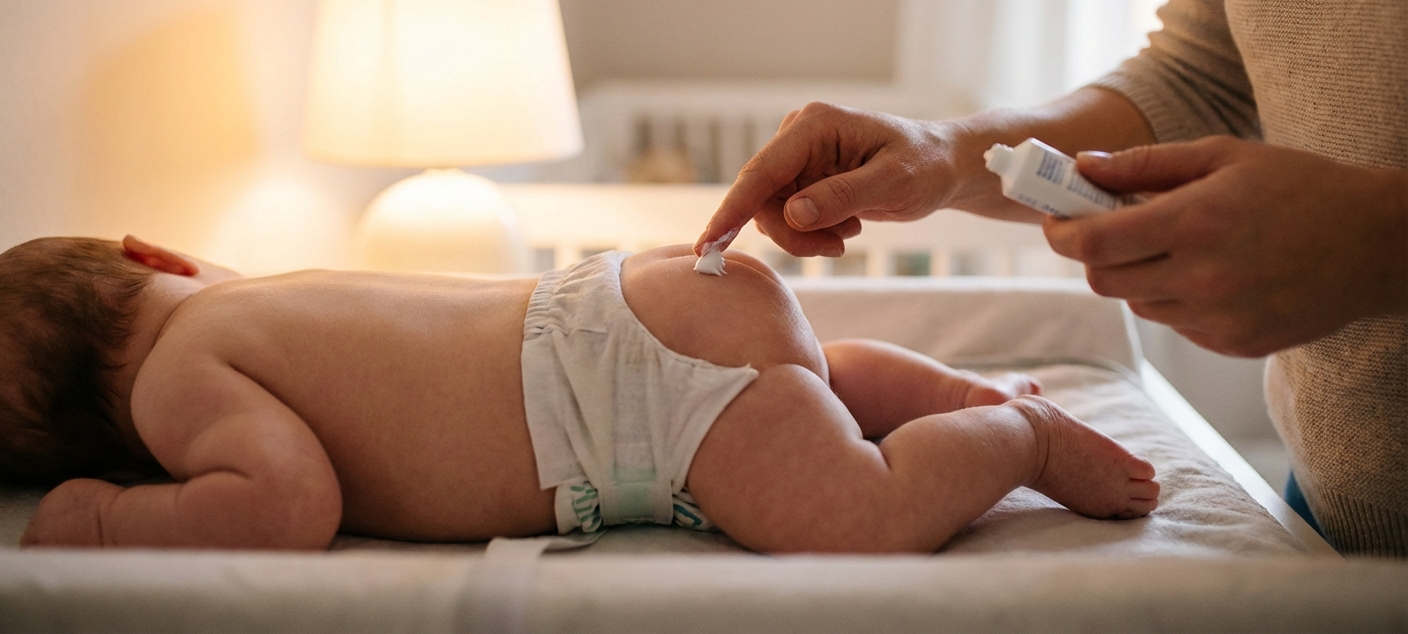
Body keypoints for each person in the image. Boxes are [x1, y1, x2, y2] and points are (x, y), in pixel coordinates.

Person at [695, 0, 1406, 557]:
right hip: (1334, 498)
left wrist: (1382, 243)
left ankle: (1025, 431)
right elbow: (1199, 78)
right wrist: (947, 153)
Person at [3, 235, 1156, 553]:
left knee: (851, 512)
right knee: (799, 389)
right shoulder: (252, 293)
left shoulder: (170, 385)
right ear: (152, 257)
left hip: (618, 389)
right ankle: (940, 391)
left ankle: (1019, 435)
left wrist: (109, 517)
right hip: (625, 293)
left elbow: (283, 502)